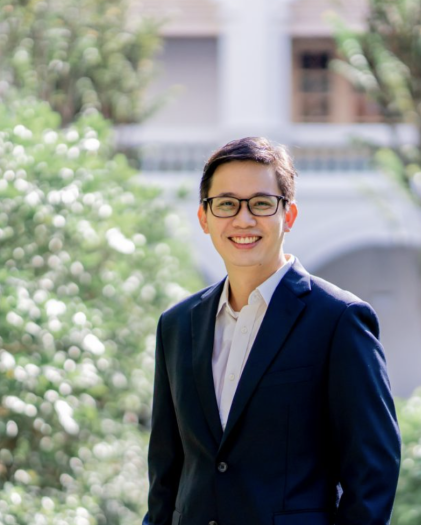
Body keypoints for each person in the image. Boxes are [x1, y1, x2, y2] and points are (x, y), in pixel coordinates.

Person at [144, 137, 401, 525]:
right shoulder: (177, 325)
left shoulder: (339, 320)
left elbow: (374, 471)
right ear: (204, 217)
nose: (243, 220)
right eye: (226, 204)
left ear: (289, 215)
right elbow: (166, 471)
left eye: (261, 204)